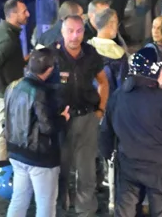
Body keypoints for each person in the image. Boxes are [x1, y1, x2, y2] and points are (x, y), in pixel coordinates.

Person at [100, 43, 162, 217]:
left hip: (128, 165)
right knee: (161, 211)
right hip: (159, 168)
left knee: (125, 211)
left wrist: (109, 156)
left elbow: (106, 132)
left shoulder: (118, 96)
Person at [54, 14, 109, 217]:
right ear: (62, 32)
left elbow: (103, 82)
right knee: (61, 167)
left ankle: (85, 209)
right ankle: (60, 206)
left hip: (87, 117)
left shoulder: (90, 53)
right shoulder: (52, 54)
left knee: (87, 170)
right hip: (62, 121)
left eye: (79, 31)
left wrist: (100, 110)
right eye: (70, 31)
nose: (74, 36)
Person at [5, 48, 66, 217]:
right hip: (39, 156)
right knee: (45, 204)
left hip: (16, 152)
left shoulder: (13, 86)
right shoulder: (41, 92)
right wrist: (63, 118)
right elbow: (48, 127)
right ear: (50, 69)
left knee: (19, 199)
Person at [0, 0, 30, 168]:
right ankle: (0, 171)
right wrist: (6, 94)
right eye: (24, 11)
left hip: (7, 91)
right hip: (4, 94)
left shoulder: (2, 32)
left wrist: (25, 61)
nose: (28, 14)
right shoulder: (8, 40)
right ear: (13, 14)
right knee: (3, 132)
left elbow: (7, 63)